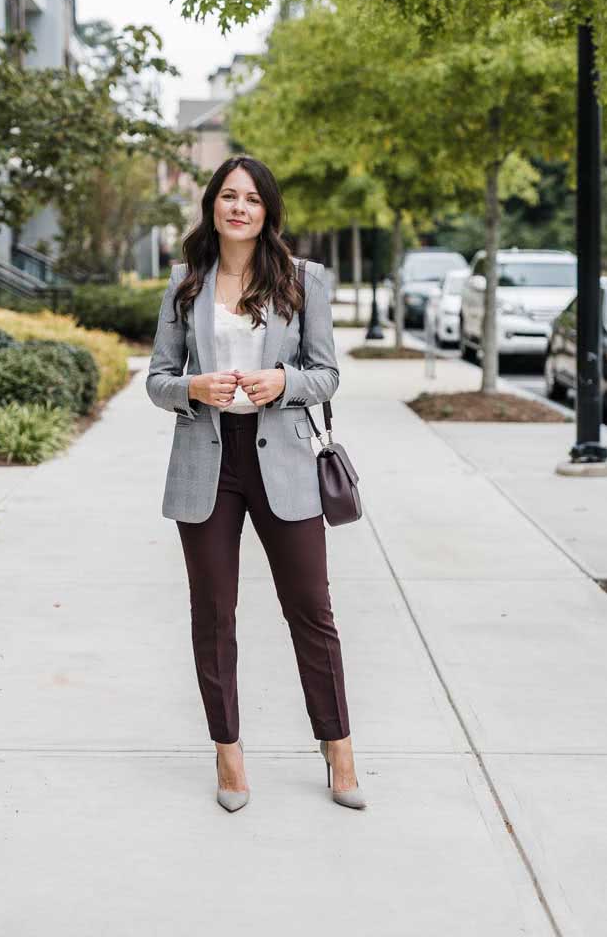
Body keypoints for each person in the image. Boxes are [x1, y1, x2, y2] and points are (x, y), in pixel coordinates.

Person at [146, 155, 366, 812]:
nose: (238, 207)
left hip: (285, 457)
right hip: (207, 459)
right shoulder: (186, 284)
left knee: (312, 611)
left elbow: (325, 374)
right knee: (213, 614)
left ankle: (339, 747)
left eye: (252, 198)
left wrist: (284, 383)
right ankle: (229, 756)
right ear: (212, 205)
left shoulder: (304, 280)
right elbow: (157, 379)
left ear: (267, 211)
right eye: (228, 196)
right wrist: (192, 386)